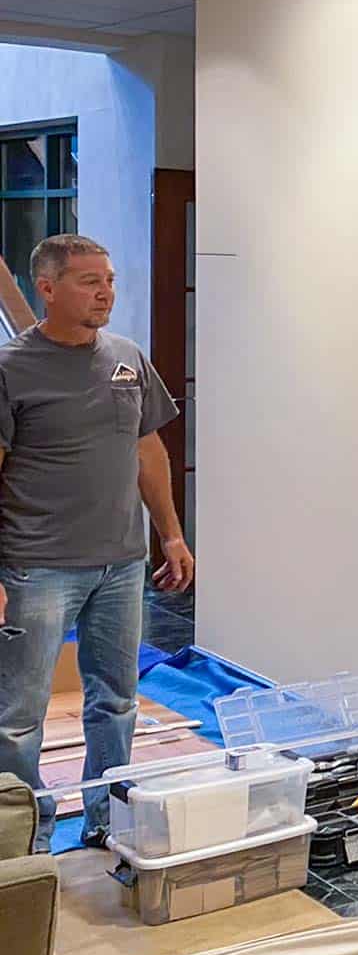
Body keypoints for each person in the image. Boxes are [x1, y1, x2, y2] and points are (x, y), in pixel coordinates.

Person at [0, 235, 193, 854]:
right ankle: (23, 836)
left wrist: (169, 533)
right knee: (20, 716)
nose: (105, 291)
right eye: (88, 281)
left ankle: (106, 820)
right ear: (47, 289)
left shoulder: (127, 358)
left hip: (121, 563)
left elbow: (147, 450)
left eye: (108, 278)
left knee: (116, 701)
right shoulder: (11, 369)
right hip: (37, 566)